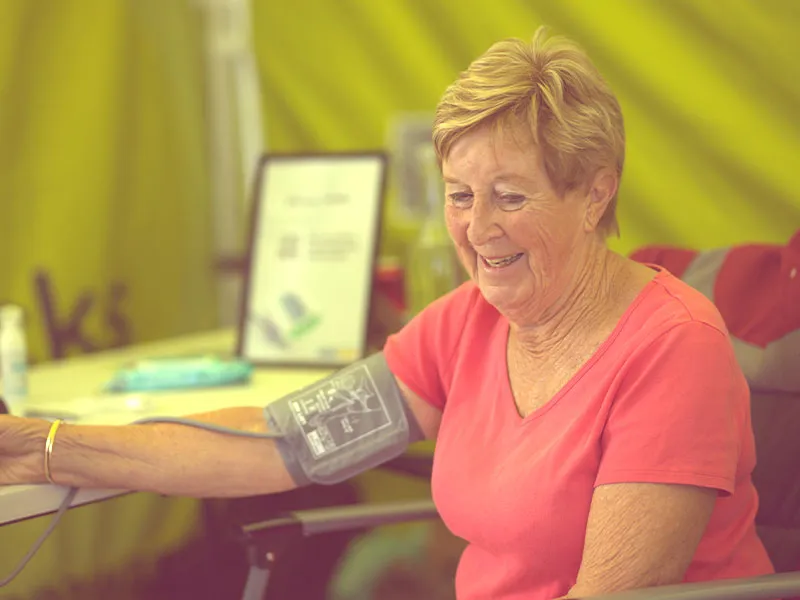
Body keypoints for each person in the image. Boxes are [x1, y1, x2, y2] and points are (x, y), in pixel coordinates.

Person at [0, 26, 775, 599]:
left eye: (511, 196)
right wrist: (49, 448)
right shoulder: (466, 323)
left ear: (595, 192)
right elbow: (279, 444)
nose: (479, 229)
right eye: (460, 196)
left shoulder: (672, 351)